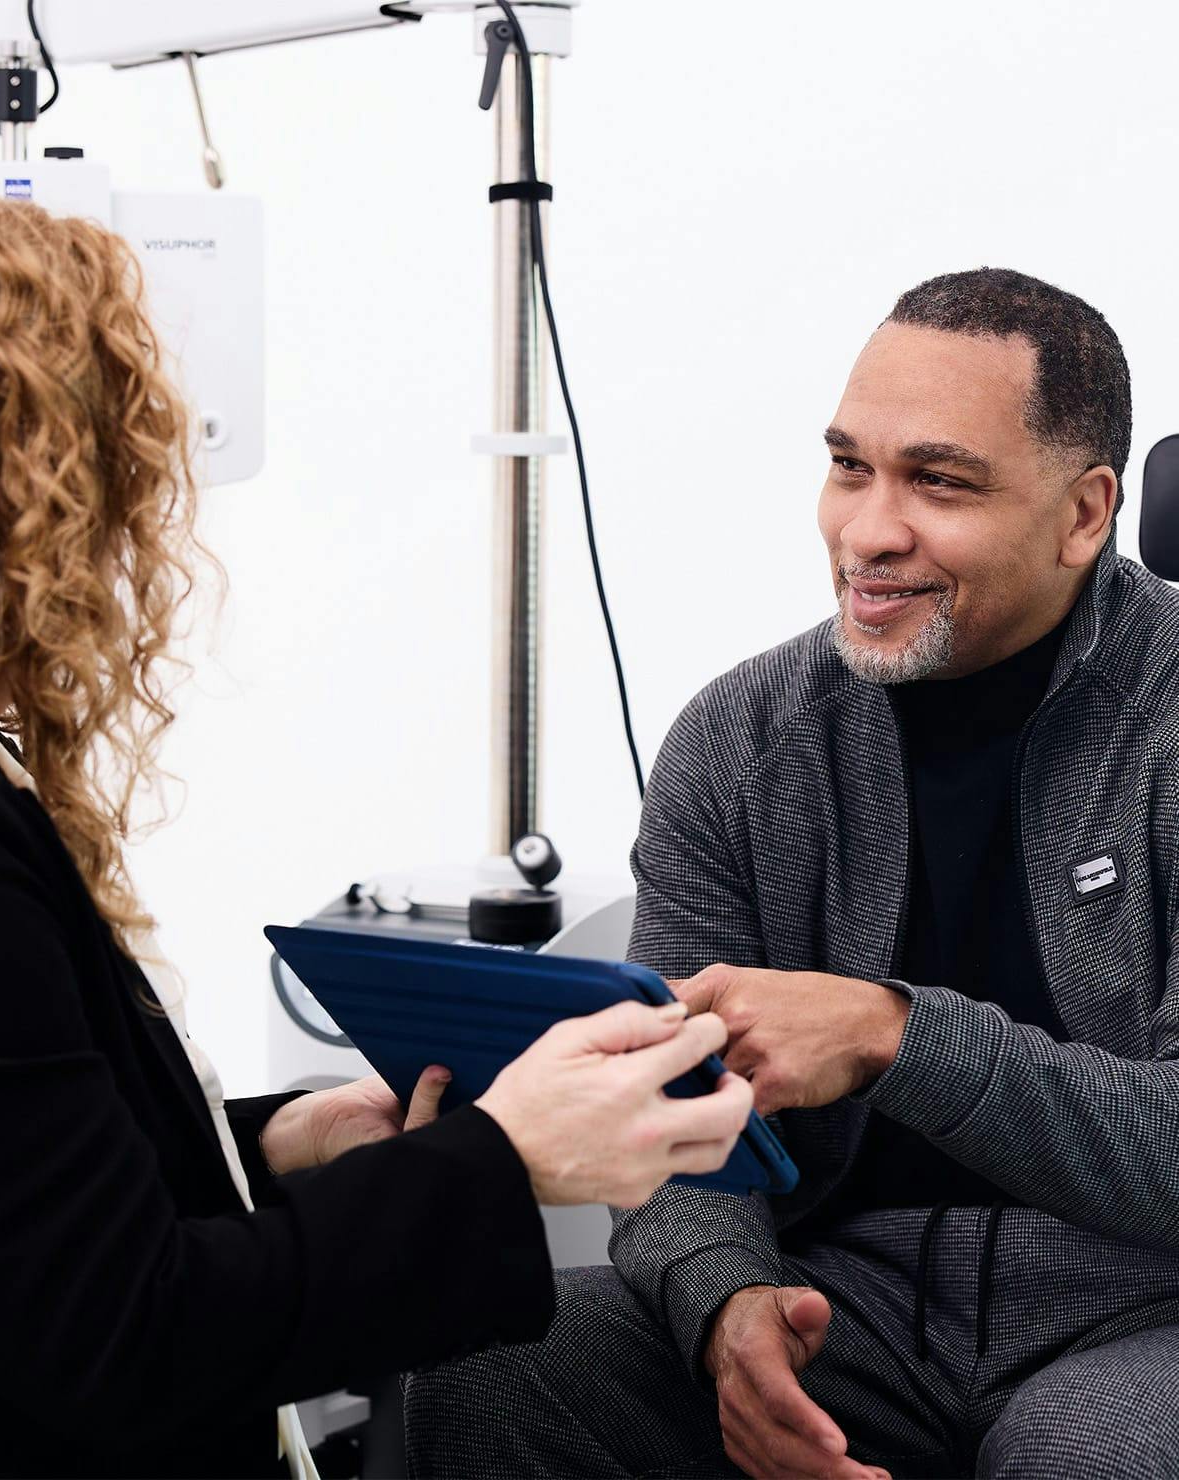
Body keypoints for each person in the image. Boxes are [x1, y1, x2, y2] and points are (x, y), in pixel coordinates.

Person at [0, 197, 756, 1480]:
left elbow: (0, 1197)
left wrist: (271, 1144)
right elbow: (127, 1331)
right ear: (20, 485)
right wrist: (503, 1156)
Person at [404, 268, 1179, 1479]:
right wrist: (724, 1307)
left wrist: (893, 1036)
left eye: (937, 480)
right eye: (847, 467)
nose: (867, 530)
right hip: (845, 1288)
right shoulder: (741, 739)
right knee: (502, 1357)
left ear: (1084, 514)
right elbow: (665, 1108)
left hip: (1143, 1306)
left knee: (1091, 1451)